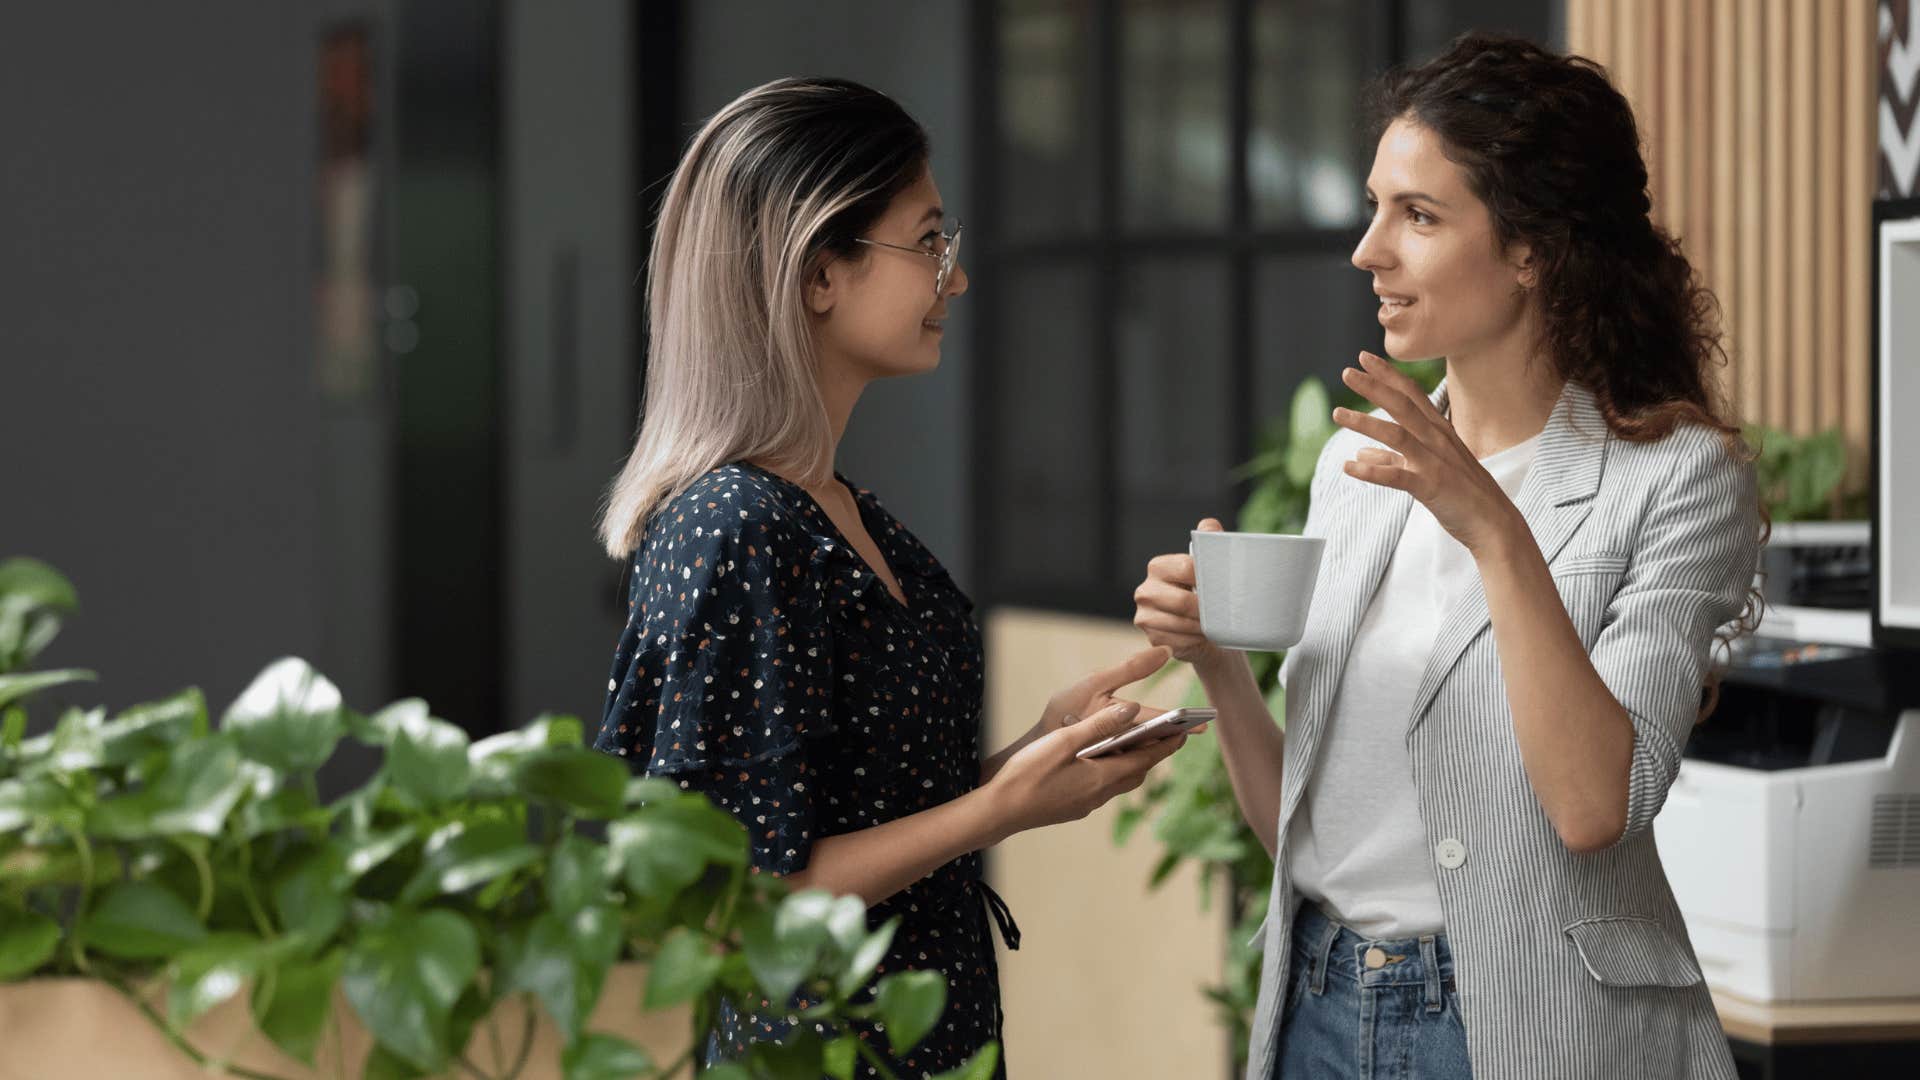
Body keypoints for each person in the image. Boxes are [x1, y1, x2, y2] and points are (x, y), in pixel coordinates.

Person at [1132, 34, 1764, 1080]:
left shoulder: (1678, 478)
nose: (1367, 249)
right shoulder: (1356, 464)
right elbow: (1309, 829)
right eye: (1377, 206)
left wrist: (1492, 527)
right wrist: (1218, 666)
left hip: (1528, 1025)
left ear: (1532, 250)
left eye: (1417, 216)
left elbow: (1594, 806)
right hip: (1320, 1013)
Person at [591, 77, 1183, 1077]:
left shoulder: (844, 515)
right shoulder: (734, 527)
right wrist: (995, 809)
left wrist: (1032, 761)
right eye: (928, 243)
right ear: (821, 272)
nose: (953, 280)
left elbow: (856, 822)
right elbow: (737, 898)